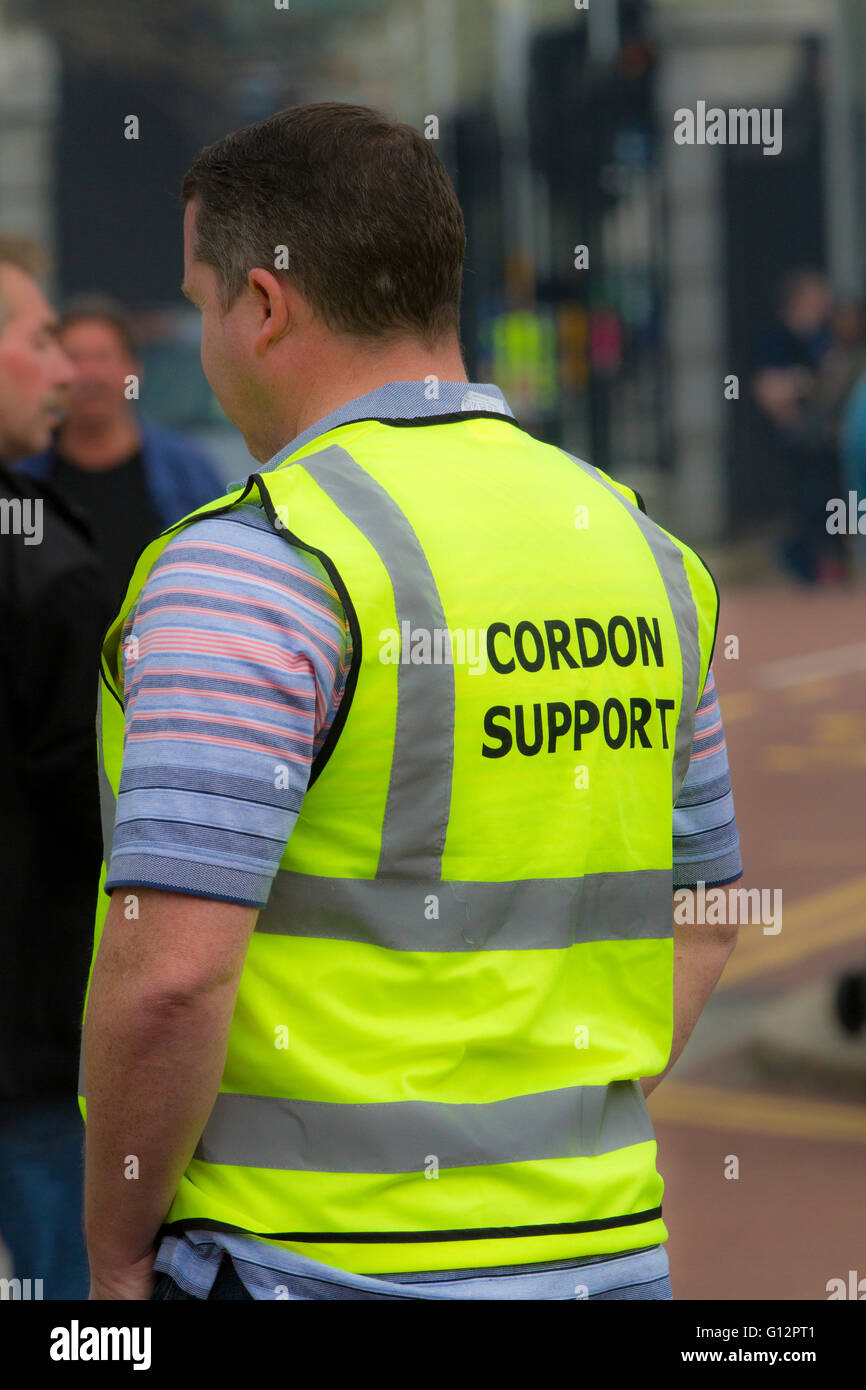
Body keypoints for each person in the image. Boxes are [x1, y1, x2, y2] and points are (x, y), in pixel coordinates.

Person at [79, 103, 743, 1303]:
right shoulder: (640, 548)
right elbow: (701, 908)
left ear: (266, 306)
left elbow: (171, 977)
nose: (203, 338)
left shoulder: (253, 564)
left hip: (302, 1260)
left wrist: (117, 1246)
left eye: (200, 303)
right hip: (598, 1256)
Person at [0, 234, 113, 1299]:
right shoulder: (42, 555)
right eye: (37, 339)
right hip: (31, 1047)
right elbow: (99, 815)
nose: (67, 368)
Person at [16, 296, 225, 611]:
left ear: (134, 371)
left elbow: (220, 575)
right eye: (75, 358)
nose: (91, 375)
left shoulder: (186, 471)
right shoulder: (22, 477)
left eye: (103, 357)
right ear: (55, 372)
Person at [751, 269, 846, 583]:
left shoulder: (821, 338)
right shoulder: (777, 338)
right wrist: (799, 389)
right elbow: (768, 388)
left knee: (827, 501)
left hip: (824, 439)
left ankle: (825, 562)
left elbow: (834, 379)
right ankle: (802, 561)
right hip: (795, 439)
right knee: (808, 505)